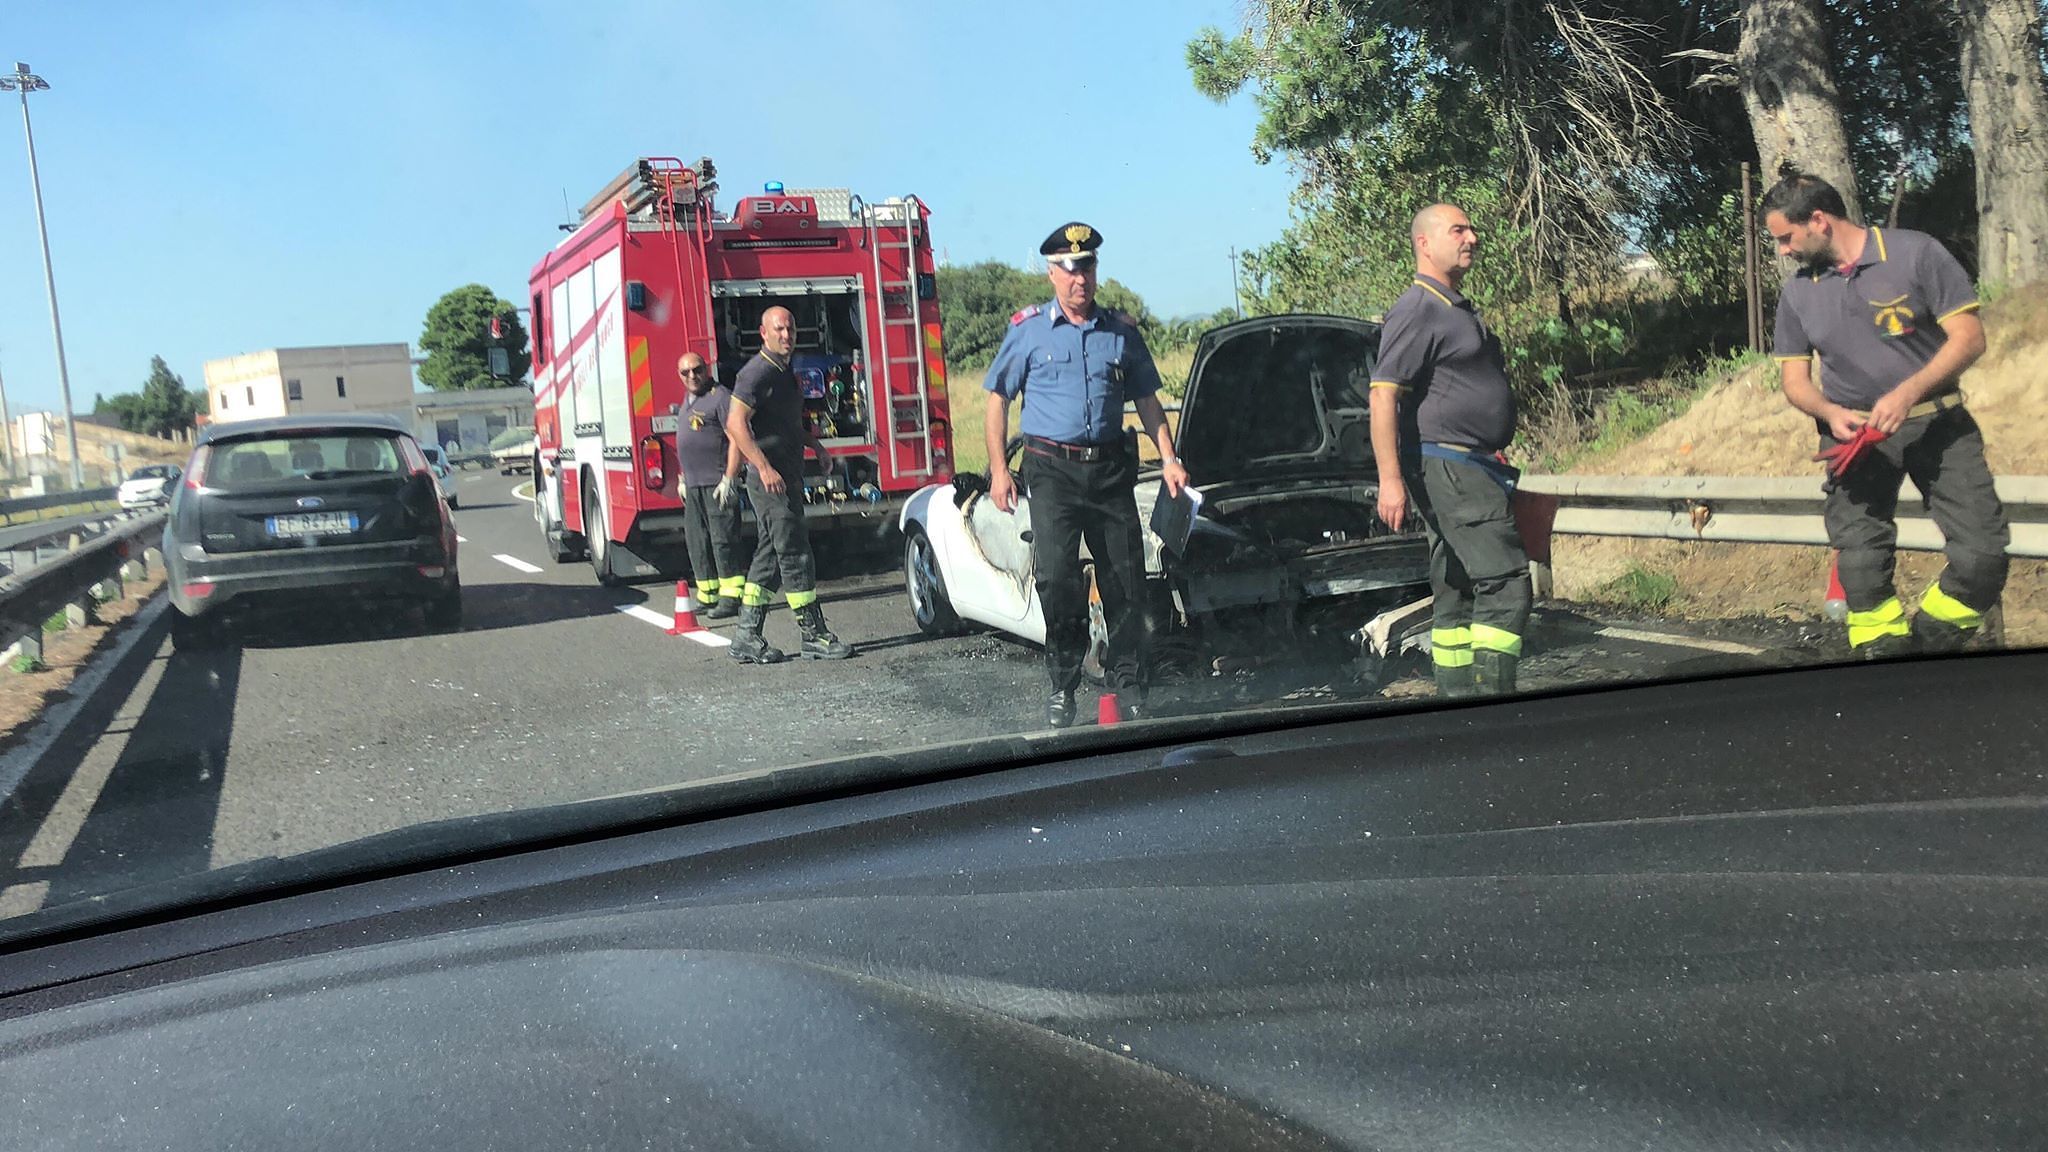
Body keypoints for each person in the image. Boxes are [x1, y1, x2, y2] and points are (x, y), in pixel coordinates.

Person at [1762, 173, 2007, 657]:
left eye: (1786, 238)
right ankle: (1880, 659)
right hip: (1854, 439)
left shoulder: (1915, 253)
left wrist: (1907, 392)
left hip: (1939, 424)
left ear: (1819, 220)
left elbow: (1969, 338)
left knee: (1983, 555)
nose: (1783, 251)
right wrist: (1829, 412)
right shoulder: (1797, 293)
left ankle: (1928, 643)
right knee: (1859, 562)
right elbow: (1794, 382)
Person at [984, 222, 1189, 728]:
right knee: (1056, 578)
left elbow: (1146, 400)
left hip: (1108, 469)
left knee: (1126, 579)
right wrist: (997, 472)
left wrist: (1169, 457)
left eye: (1089, 267)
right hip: (1050, 470)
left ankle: (1128, 685)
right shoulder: (1028, 331)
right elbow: (997, 400)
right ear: (1053, 273)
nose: (1081, 279)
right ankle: (1063, 684)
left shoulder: (1121, 333)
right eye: (1071, 270)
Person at [1369, 203, 1531, 697]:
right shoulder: (1417, 308)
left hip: (1468, 466)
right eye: (1457, 229)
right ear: (1424, 243)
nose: (1472, 237)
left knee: (1456, 588)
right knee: (1504, 584)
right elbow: (1383, 393)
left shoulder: (1450, 305)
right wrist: (1390, 479)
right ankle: (1493, 702)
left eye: (1471, 228)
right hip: (1453, 469)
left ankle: (1457, 701)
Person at [725, 306, 852, 663]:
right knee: (795, 553)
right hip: (770, 483)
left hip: (787, 477)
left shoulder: (783, 372)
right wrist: (763, 467)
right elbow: (735, 423)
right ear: (763, 333)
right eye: (779, 329)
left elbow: (785, 423)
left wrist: (816, 445)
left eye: (791, 329)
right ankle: (814, 635)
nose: (787, 335)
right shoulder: (757, 373)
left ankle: (746, 637)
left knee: (768, 556)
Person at [675, 352, 744, 620]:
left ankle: (731, 597)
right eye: (685, 372)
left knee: (723, 540)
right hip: (693, 485)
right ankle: (708, 594)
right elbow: (687, 442)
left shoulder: (720, 397)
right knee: (697, 541)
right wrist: (682, 477)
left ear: (707, 369)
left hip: (716, 483)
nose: (692, 375)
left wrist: (729, 478)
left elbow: (736, 439)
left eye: (697, 369)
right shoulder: (688, 400)